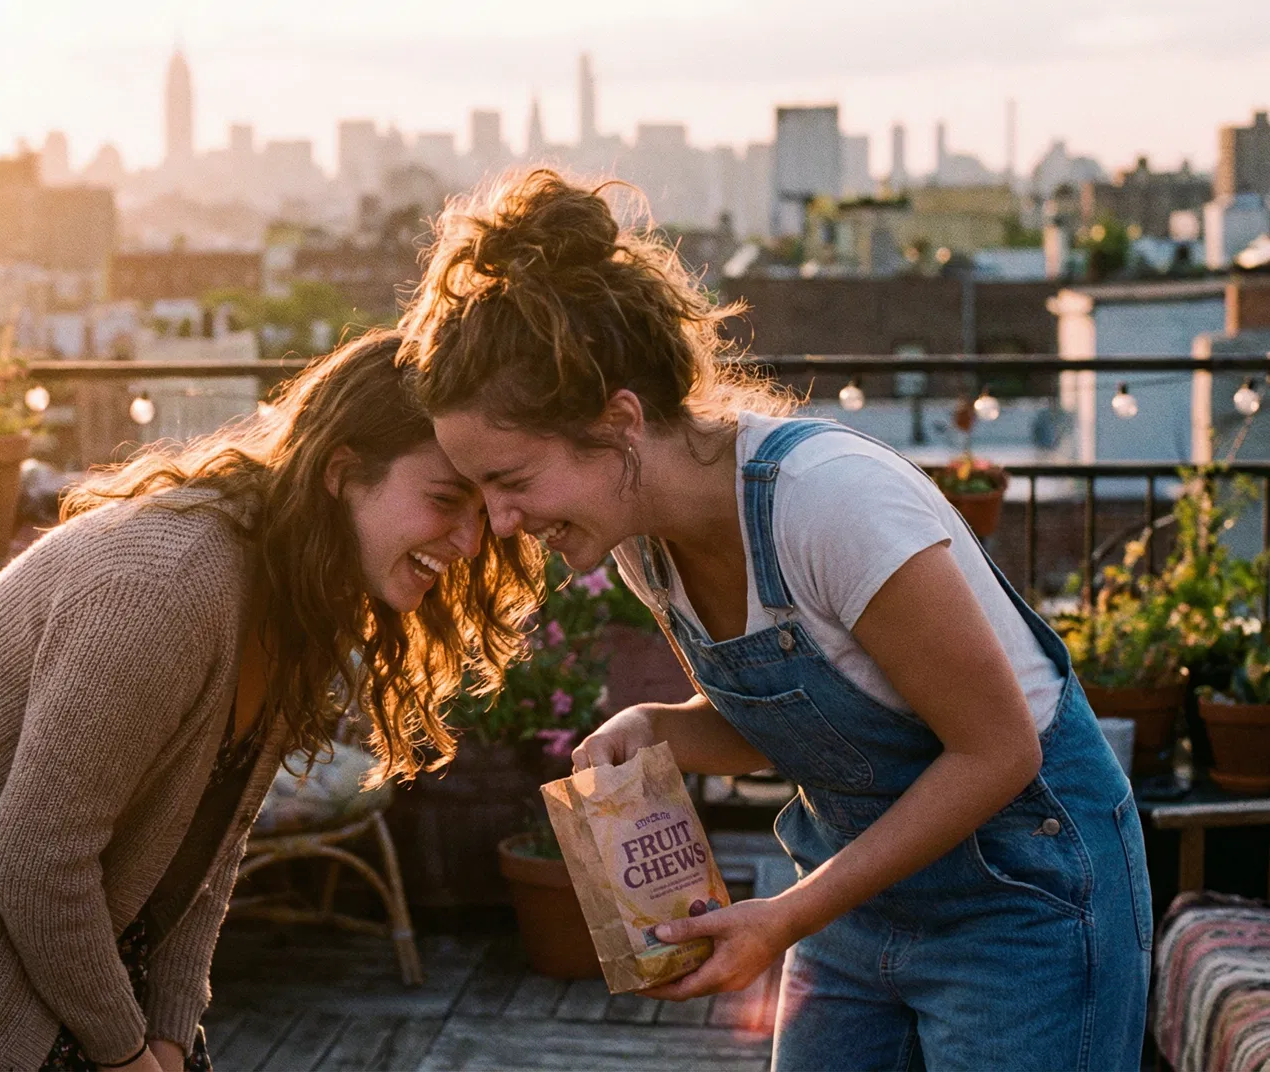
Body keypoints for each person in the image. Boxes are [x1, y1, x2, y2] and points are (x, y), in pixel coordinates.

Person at [399, 168, 1153, 1071]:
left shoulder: (828, 503)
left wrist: (787, 916)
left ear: (622, 422)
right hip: (857, 894)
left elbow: (997, 751)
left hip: (1026, 897)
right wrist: (658, 729)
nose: (501, 520)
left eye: (511, 481)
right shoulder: (642, 536)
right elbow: (826, 719)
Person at [0, 332, 542, 1072]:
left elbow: (206, 848)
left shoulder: (297, 586)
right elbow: (35, 863)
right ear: (342, 473)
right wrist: (124, 1055)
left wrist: (174, 1032)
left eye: (481, 510)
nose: (471, 543)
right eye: (446, 500)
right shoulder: (163, 590)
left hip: (33, 916)